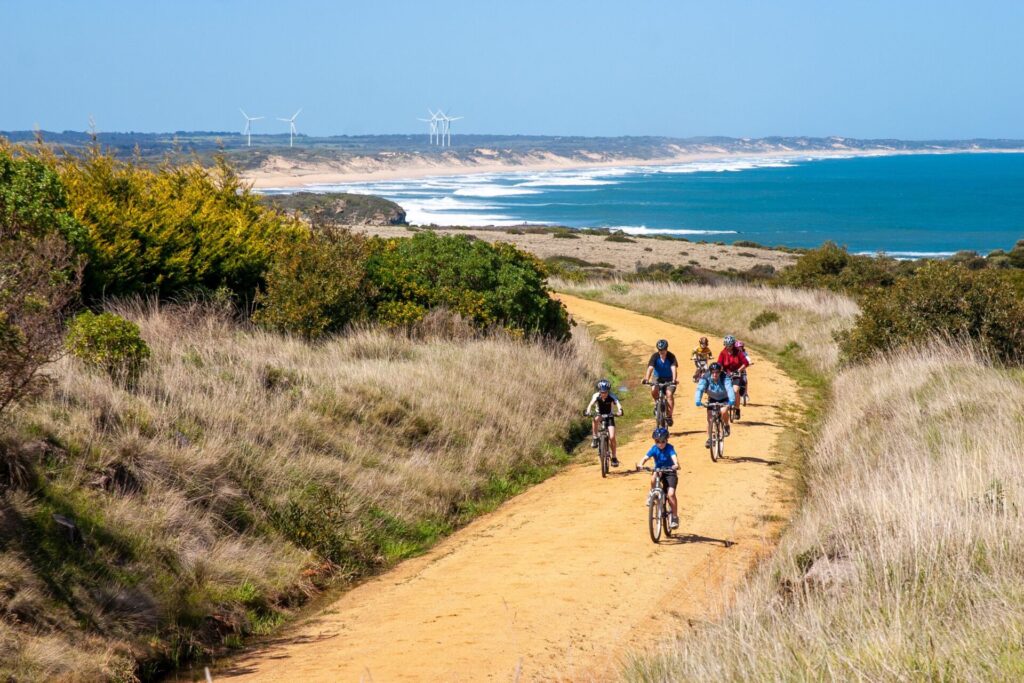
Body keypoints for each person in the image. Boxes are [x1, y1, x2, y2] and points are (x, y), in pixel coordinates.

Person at [637, 427, 680, 529]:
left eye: (663, 441)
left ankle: (674, 517)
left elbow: (673, 456)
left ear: (667, 440)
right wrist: (640, 464)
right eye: (657, 441)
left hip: (670, 472)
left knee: (671, 494)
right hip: (659, 471)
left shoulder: (670, 448)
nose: (660, 444)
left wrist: (676, 464)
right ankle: (652, 493)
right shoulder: (654, 448)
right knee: (653, 478)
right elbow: (646, 457)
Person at [695, 362, 735, 449]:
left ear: (720, 372)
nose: (715, 374)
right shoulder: (705, 377)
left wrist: (731, 400)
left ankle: (726, 425)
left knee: (723, 411)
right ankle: (709, 438)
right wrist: (698, 400)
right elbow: (700, 388)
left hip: (724, 398)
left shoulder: (725, 377)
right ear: (710, 372)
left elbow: (729, 388)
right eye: (713, 372)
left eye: (717, 372)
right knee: (710, 418)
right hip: (712, 398)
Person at [585, 379, 624, 467]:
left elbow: (617, 403)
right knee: (595, 419)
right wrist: (588, 411)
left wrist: (620, 411)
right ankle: (595, 437)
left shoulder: (612, 396)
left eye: (605, 392)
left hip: (609, 416)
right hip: (600, 414)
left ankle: (614, 457)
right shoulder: (596, 396)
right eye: (602, 392)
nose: (604, 394)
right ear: (599, 391)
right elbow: (590, 404)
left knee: (612, 437)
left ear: (608, 391)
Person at [643, 339, 678, 426]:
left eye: (663, 350)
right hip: (658, 377)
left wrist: (674, 380)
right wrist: (646, 379)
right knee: (654, 389)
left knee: (669, 394)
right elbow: (650, 368)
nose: (661, 352)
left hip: (669, 378)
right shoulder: (655, 356)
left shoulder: (671, 356)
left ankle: (669, 416)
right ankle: (657, 403)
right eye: (659, 350)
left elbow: (673, 368)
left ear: (666, 349)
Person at [717, 335, 750, 419]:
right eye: (727, 345)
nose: (729, 347)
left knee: (735, 390)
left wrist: (739, 370)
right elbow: (719, 363)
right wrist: (720, 369)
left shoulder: (738, 352)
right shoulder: (723, 353)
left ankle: (737, 409)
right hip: (726, 374)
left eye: (730, 345)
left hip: (736, 374)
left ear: (733, 344)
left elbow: (746, 363)